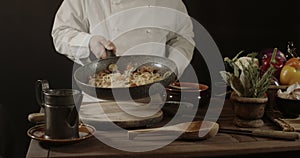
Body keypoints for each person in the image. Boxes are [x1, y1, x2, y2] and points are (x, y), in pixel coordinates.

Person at [52, 0, 195, 77]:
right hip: (102, 95)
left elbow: (182, 38)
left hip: (155, 93)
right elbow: (61, 32)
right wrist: (89, 42)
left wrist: (171, 69)